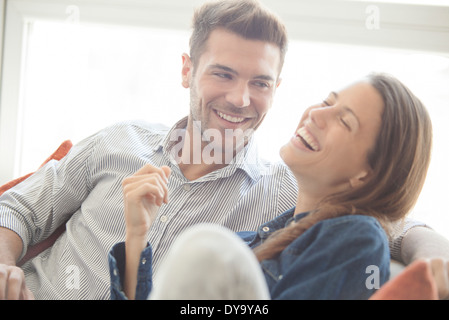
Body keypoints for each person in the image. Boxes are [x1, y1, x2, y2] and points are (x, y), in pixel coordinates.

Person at [0, 0, 448, 300]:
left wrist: (434, 259)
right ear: (186, 71)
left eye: (260, 83)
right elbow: (19, 207)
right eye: (223, 74)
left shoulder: (288, 193)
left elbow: (386, 209)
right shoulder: (120, 140)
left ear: (276, 89)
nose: (240, 99)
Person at [110, 73, 432, 300]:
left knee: (208, 251)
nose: (318, 115)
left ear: (367, 173)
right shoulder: (251, 241)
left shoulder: (358, 238)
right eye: (326, 102)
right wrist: (137, 235)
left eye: (344, 121)